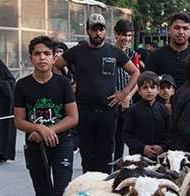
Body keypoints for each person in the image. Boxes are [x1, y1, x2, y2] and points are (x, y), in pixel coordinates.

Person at [53, 13, 137, 173]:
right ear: (88, 30)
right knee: (87, 154)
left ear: (105, 31)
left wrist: (123, 93)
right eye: (94, 29)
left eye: (101, 29)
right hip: (84, 111)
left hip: (108, 111)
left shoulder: (114, 52)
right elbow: (56, 66)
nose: (98, 33)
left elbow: (135, 72)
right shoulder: (77, 51)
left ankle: (103, 189)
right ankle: (88, 188)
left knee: (106, 155)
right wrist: (68, 86)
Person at [14, 36, 79, 196]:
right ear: (31, 57)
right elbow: (19, 120)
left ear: (53, 58)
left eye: (47, 54)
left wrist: (48, 130)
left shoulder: (63, 84)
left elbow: (73, 117)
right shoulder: (22, 85)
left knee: (61, 194)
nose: (42, 58)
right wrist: (38, 129)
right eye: (37, 53)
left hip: (62, 144)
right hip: (36, 146)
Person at [145, 12, 190, 88]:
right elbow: (147, 83)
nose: (181, 32)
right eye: (177, 28)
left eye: (185, 28)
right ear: (169, 30)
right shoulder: (155, 56)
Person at [113, 19, 142, 162]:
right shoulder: (108, 51)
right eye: (123, 35)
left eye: (129, 36)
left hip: (127, 102)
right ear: (116, 35)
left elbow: (138, 78)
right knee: (111, 139)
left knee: (125, 137)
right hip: (111, 100)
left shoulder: (133, 54)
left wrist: (127, 96)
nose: (126, 39)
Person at [123, 71, 169, 158]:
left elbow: (169, 132)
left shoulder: (163, 110)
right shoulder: (133, 110)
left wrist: (162, 147)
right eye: (145, 88)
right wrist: (142, 148)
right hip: (138, 157)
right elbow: (126, 135)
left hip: (159, 156)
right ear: (139, 91)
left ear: (158, 90)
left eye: (152, 87)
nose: (149, 91)